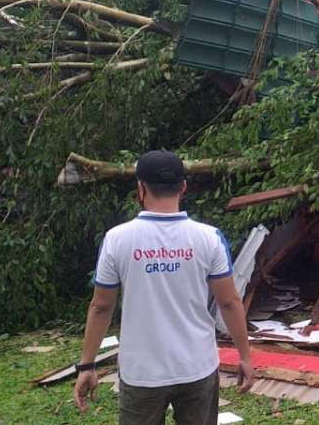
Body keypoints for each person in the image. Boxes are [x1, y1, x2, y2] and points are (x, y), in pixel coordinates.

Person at [74, 150, 254, 424]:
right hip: (197, 367)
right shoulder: (209, 238)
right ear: (183, 187)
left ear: (140, 187)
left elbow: (101, 306)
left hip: (142, 373)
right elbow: (229, 302)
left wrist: (87, 364)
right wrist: (245, 356)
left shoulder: (117, 239)